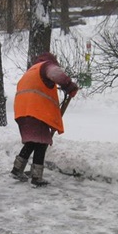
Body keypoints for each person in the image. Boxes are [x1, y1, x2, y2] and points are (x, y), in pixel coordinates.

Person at [11, 52, 79, 186]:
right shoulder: (46, 66)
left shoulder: (33, 70)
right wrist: (69, 86)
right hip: (35, 110)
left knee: (32, 141)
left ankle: (17, 169)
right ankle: (37, 177)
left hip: (22, 110)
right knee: (42, 142)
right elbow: (56, 74)